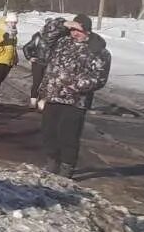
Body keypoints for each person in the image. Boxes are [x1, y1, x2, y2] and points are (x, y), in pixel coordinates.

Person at [37, 14, 111, 177]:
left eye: (77, 30)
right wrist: (63, 23)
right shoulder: (62, 42)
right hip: (53, 95)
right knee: (49, 131)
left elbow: (99, 77)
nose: (73, 33)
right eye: (71, 30)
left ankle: (66, 166)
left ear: (87, 31)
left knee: (68, 134)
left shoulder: (97, 50)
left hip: (75, 100)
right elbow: (47, 34)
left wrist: (74, 85)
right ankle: (52, 162)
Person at [24, 16, 67, 108]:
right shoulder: (38, 36)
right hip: (38, 63)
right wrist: (29, 57)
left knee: (47, 84)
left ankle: (42, 102)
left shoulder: (60, 39)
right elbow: (27, 47)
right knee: (37, 82)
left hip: (50, 64)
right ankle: (33, 101)